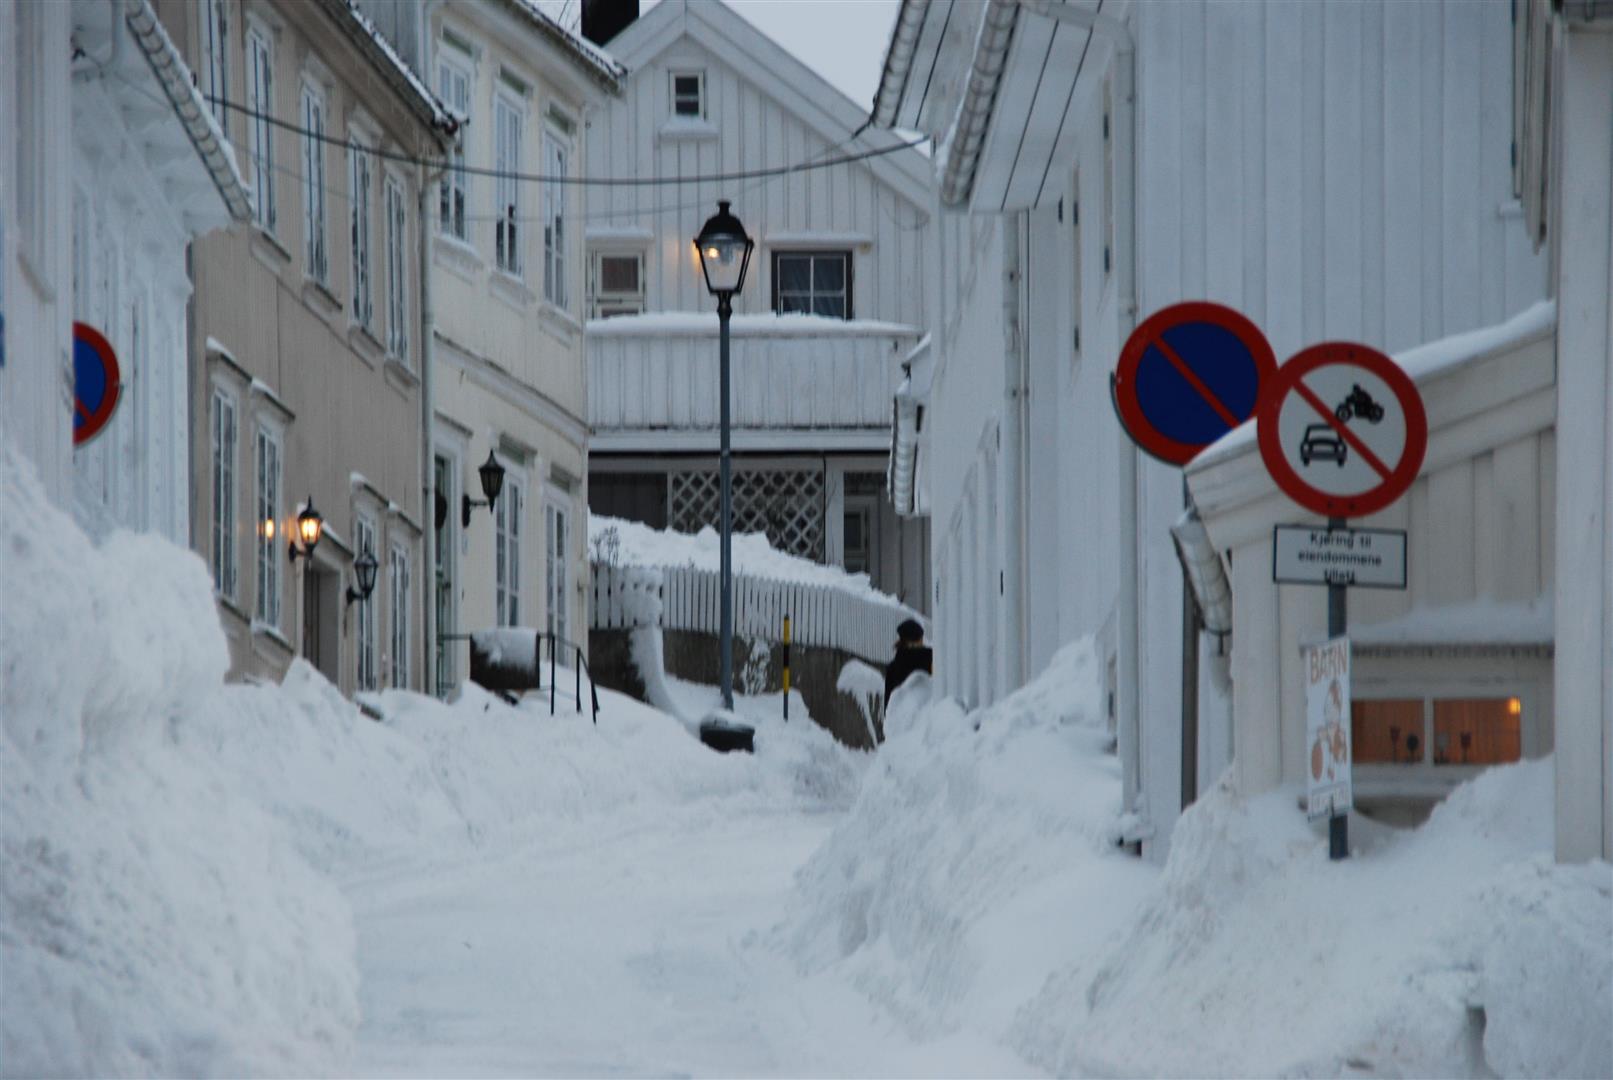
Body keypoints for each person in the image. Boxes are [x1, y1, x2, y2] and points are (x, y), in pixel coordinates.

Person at [883, 618, 933, 706]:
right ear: (919, 640)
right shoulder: (930, 659)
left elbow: (888, 704)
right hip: (928, 715)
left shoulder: (893, 668)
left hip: (902, 716)